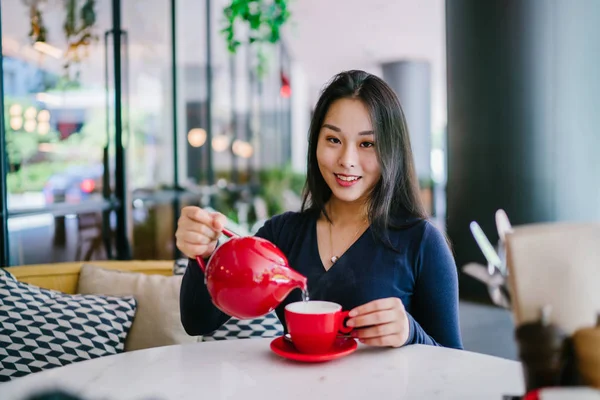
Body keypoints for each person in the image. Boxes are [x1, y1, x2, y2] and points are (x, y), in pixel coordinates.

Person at [176, 70, 463, 349]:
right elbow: (199, 322)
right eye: (333, 140)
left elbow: (453, 366)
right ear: (316, 142)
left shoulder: (422, 243)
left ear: (391, 151)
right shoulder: (281, 235)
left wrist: (411, 333)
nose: (347, 160)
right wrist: (203, 253)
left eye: (367, 144)